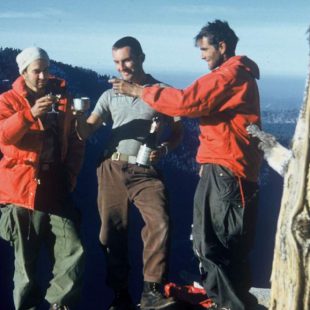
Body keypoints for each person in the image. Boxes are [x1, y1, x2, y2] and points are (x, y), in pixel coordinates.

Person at [110, 21, 263, 310]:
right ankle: (227, 300)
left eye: (205, 49)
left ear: (222, 46)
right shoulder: (234, 75)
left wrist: (139, 91)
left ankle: (229, 304)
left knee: (215, 243)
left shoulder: (229, 75)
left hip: (228, 169)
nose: (202, 56)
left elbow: (186, 102)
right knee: (214, 241)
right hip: (223, 165)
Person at [76, 36, 183, 310]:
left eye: (126, 60)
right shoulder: (109, 95)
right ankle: (120, 296)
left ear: (141, 57)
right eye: (116, 62)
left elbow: (178, 132)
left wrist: (166, 149)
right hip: (111, 167)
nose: (121, 67)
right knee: (111, 234)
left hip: (146, 170)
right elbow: (87, 131)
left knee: (160, 221)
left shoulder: (161, 92)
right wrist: (77, 116)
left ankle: (152, 292)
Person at [0, 47, 85, 310]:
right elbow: (4, 137)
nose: (43, 76)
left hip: (55, 185)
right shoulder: (7, 101)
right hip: (21, 191)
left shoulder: (62, 99)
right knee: (25, 264)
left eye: (46, 70)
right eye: (37, 70)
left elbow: (74, 141)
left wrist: (71, 174)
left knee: (73, 251)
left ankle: (58, 305)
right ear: (23, 72)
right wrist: (30, 114)